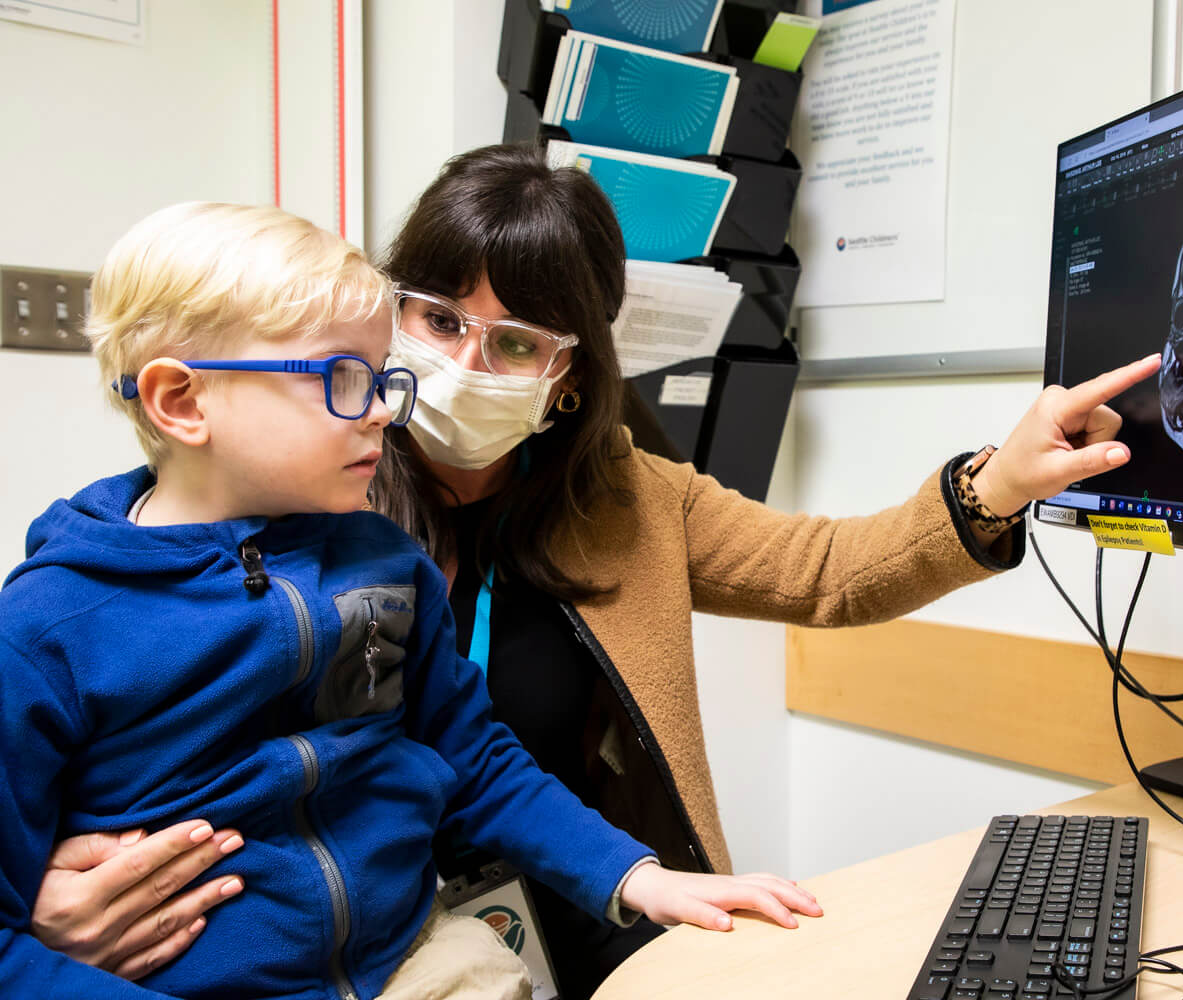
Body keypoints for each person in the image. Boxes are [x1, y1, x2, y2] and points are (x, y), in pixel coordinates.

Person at [32, 145, 1161, 997]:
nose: (464, 366)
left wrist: (994, 484)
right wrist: (40, 916)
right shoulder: (283, 502)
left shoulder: (628, 496)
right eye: (436, 320)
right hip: (288, 931)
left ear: (569, 375)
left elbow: (829, 571)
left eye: (518, 341)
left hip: (558, 906)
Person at [0, 201, 819, 1000]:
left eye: (381, 375)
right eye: (343, 378)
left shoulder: (383, 566)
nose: (387, 409)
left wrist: (639, 876)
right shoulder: (50, 631)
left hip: (413, 958)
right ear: (182, 402)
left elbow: (474, 756)